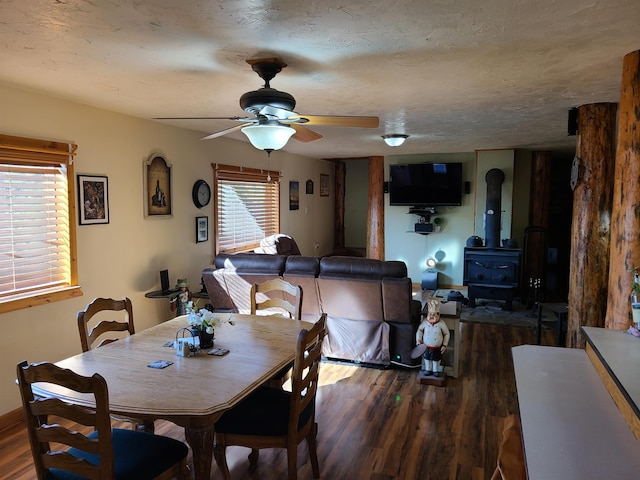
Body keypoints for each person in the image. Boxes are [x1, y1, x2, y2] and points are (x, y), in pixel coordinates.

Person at [416, 297, 450, 377]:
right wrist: (418, 340)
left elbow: (446, 333)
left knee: (436, 359)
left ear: (438, 315)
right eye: (430, 314)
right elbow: (420, 330)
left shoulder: (441, 323)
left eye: (434, 315)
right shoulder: (425, 323)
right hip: (426, 346)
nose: (431, 316)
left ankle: (435, 370)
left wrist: (444, 345)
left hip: (437, 347)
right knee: (427, 359)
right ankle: (428, 369)